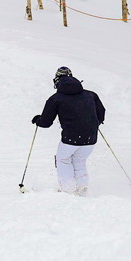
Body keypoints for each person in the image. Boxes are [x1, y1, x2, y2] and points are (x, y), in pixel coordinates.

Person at [32, 66, 106, 196]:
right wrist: (93, 124)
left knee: (63, 160)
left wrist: (38, 120)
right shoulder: (91, 95)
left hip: (70, 138)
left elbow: (46, 123)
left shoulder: (56, 99)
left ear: (56, 80)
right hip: (91, 138)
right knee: (79, 160)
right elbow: (102, 113)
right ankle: (82, 188)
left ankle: (68, 190)